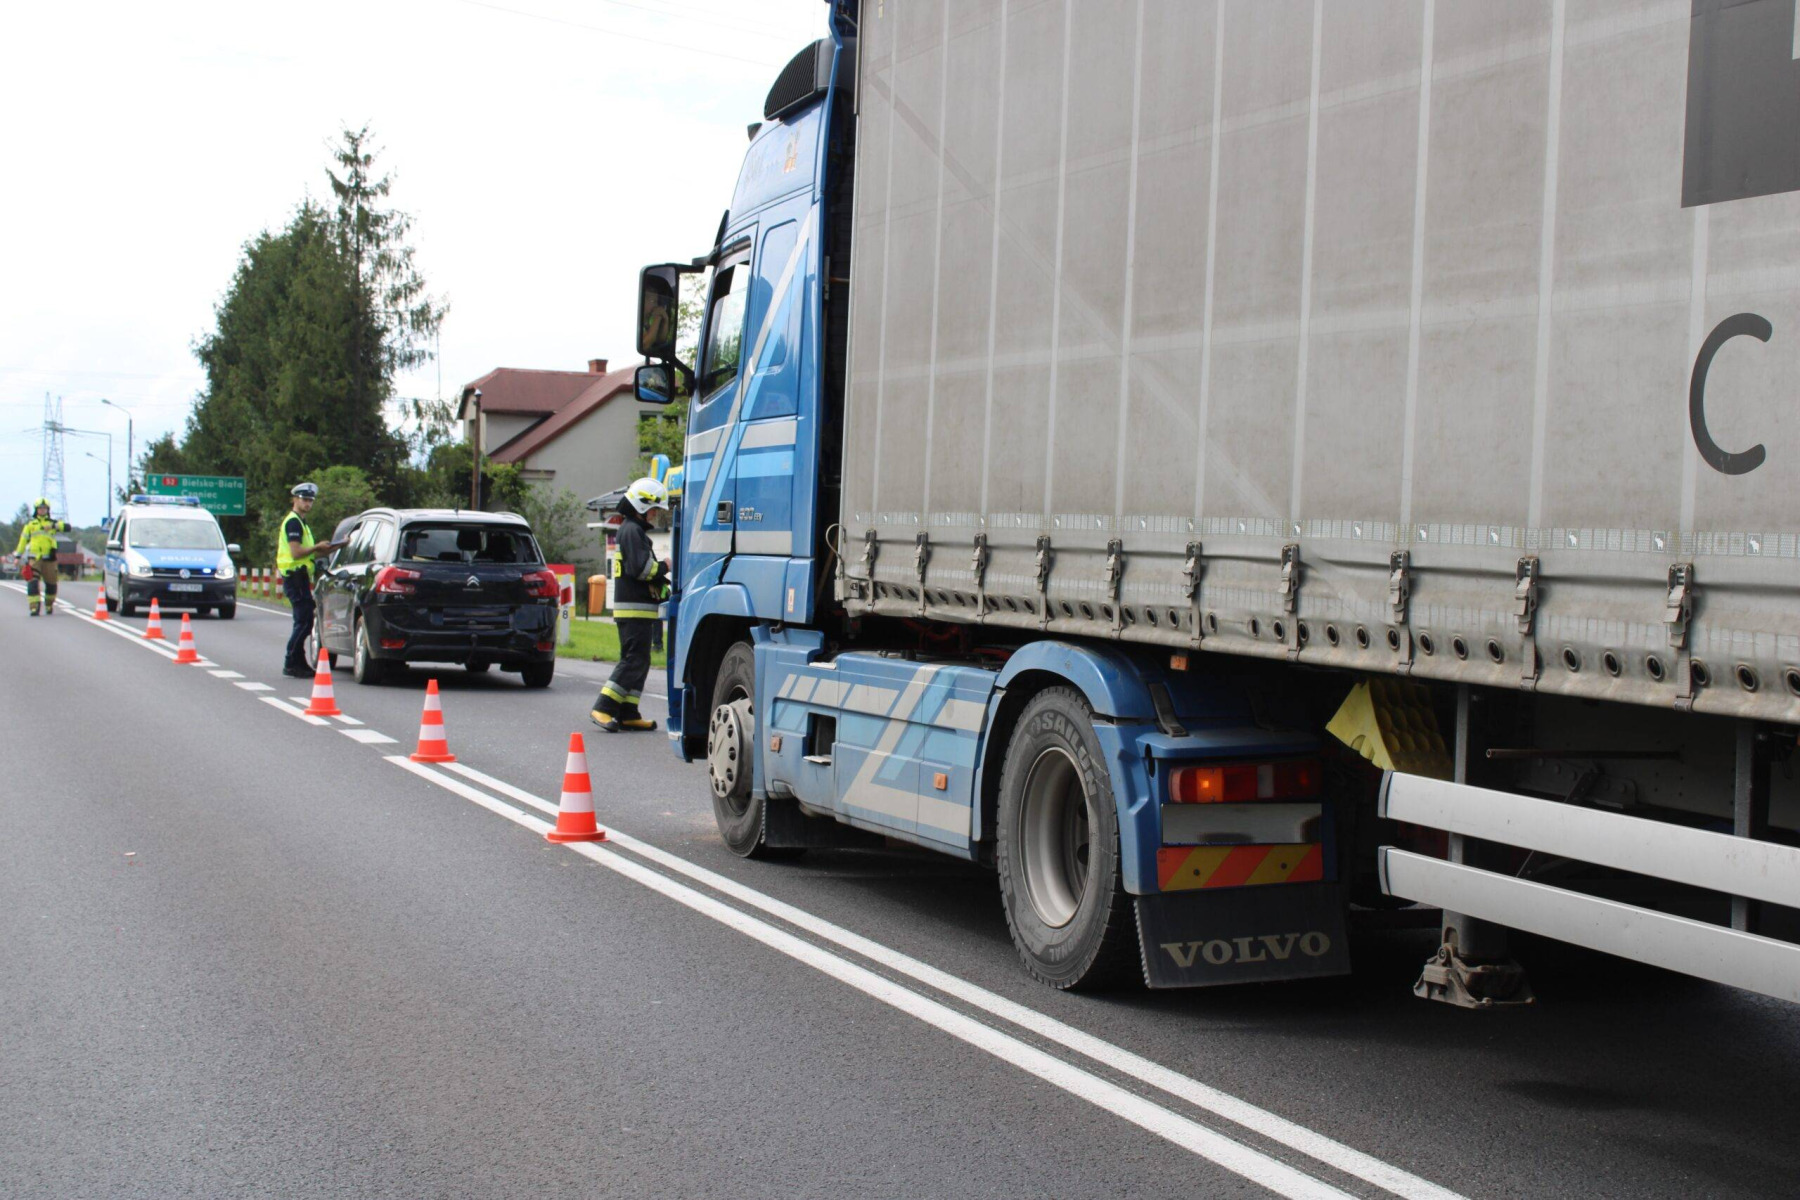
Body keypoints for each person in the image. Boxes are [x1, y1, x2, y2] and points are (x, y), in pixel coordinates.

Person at [591, 477, 671, 733]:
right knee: (633, 660)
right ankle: (603, 707)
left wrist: (664, 586)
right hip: (634, 609)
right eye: (655, 510)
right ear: (642, 507)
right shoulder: (632, 531)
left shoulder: (631, 531)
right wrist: (667, 566)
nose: (656, 515)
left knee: (641, 660)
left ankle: (628, 712)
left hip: (638, 609)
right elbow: (642, 570)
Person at [277, 482, 345, 677]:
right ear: (295, 499)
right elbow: (297, 552)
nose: (307, 503)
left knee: (305, 620)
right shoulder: (293, 522)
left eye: (310, 501)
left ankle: (298, 662)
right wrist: (317, 548)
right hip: (294, 575)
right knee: (304, 620)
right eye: (304, 499)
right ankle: (291, 661)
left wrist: (339, 545)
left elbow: (312, 554)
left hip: (300, 576)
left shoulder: (301, 523)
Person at [14, 498, 70, 616]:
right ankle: (34, 607)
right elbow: (23, 541)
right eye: (40, 508)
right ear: (36, 510)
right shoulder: (30, 525)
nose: (42, 510)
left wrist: (54, 526)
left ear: (48, 510)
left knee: (51, 584)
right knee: (32, 583)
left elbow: (68, 527)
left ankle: (49, 604)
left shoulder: (52, 523)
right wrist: (18, 556)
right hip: (34, 559)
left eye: (44, 509)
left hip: (49, 559)